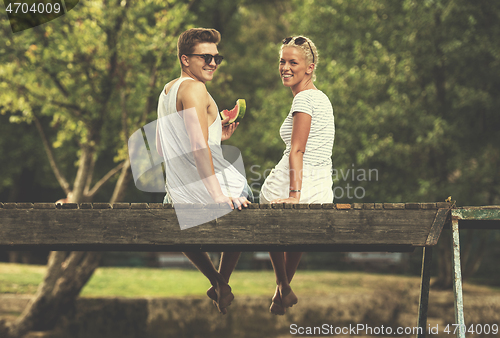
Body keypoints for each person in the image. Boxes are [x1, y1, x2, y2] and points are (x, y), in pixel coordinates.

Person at [155, 28, 253, 314]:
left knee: (175, 217)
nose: (212, 63)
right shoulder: (196, 88)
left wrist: (215, 137)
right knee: (245, 204)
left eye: (217, 58)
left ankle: (217, 282)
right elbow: (197, 144)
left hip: (177, 193)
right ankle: (222, 280)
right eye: (206, 57)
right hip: (212, 186)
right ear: (186, 59)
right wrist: (218, 194)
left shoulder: (167, 91)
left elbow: (164, 147)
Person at [259, 36, 335, 315]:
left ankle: (281, 283)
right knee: (293, 227)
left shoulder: (304, 99)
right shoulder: (321, 98)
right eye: (282, 61)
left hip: (303, 186)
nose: (285, 67)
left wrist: (294, 195)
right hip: (321, 188)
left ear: (310, 67)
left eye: (293, 62)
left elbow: (297, 150)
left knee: (268, 207)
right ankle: (283, 291)